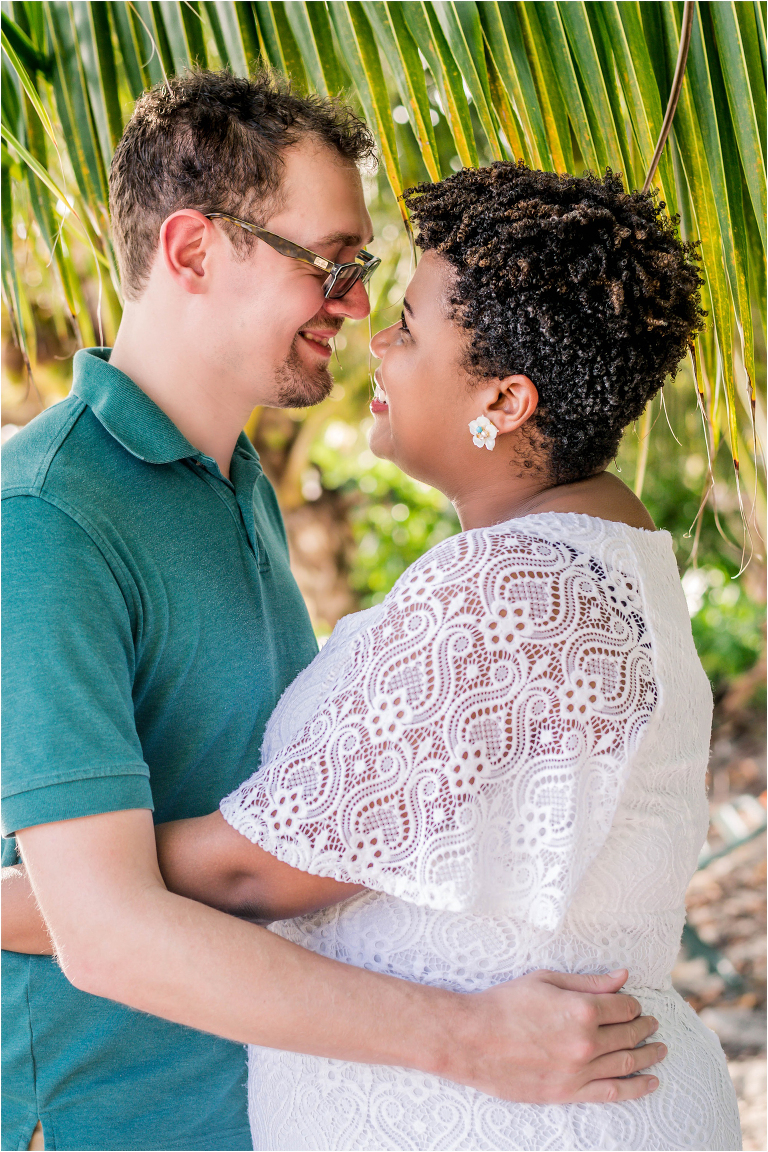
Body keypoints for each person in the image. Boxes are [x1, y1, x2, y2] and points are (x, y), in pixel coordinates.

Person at [1, 73, 661, 1152]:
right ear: (193, 252)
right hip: (103, 1118)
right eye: (333, 263)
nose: (357, 303)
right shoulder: (45, 517)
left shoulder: (237, 480)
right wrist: (477, 1040)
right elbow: (107, 935)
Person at [101, 164, 744, 1149]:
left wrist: (49, 883)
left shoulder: (517, 591)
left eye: (407, 325)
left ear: (505, 399)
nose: (378, 344)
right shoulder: (590, 561)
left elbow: (257, 875)